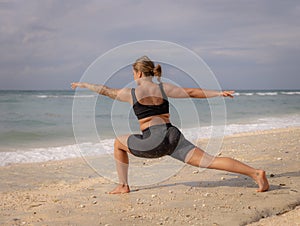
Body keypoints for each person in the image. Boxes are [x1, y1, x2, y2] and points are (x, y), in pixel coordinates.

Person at [71, 56, 269, 194]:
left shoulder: (131, 94)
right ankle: (255, 173)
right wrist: (218, 93)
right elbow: (192, 92)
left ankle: (123, 185)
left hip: (152, 142)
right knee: (210, 160)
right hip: (173, 137)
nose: (133, 76)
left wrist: (84, 85)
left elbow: (105, 90)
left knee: (117, 143)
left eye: (133, 72)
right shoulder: (163, 88)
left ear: (138, 73)